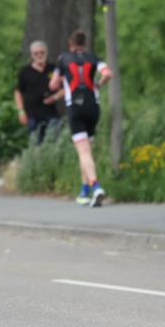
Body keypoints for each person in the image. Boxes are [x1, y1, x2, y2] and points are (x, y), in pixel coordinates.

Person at [50, 30, 113, 206]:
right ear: (84, 44)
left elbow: (53, 84)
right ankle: (84, 191)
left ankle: (96, 186)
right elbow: (108, 73)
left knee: (83, 152)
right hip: (93, 106)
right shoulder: (94, 57)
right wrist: (98, 84)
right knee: (87, 152)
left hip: (75, 107)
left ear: (71, 43)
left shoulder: (63, 58)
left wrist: (62, 80)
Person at [14, 40, 61, 146]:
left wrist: (55, 97)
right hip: (32, 115)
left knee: (54, 143)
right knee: (36, 145)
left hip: (51, 114)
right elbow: (18, 93)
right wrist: (21, 112)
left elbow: (65, 88)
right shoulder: (25, 72)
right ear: (32, 55)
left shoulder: (54, 69)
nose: (39, 55)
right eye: (36, 53)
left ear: (46, 52)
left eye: (42, 52)